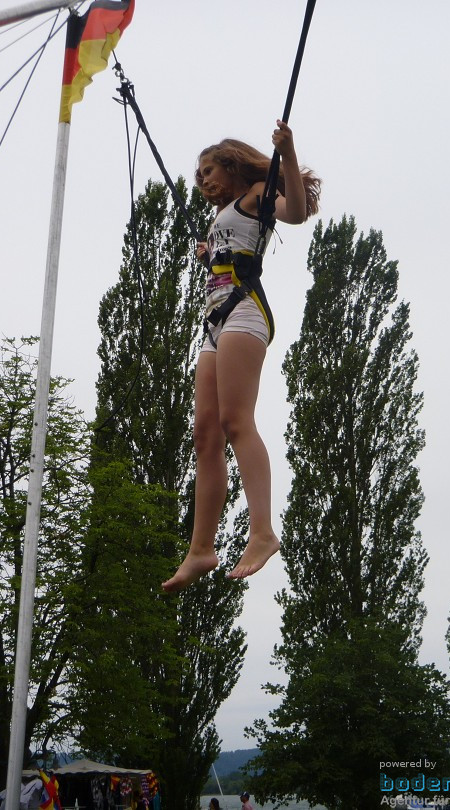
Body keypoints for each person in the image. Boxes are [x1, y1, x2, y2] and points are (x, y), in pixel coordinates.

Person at [161, 120, 321, 593]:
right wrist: (210, 252)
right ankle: (200, 549)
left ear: (231, 166)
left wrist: (287, 154)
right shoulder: (226, 213)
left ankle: (262, 532)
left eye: (209, 170)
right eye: (199, 175)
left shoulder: (255, 195)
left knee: (235, 421)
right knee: (204, 433)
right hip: (214, 321)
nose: (204, 180)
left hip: (245, 314)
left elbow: (295, 213)